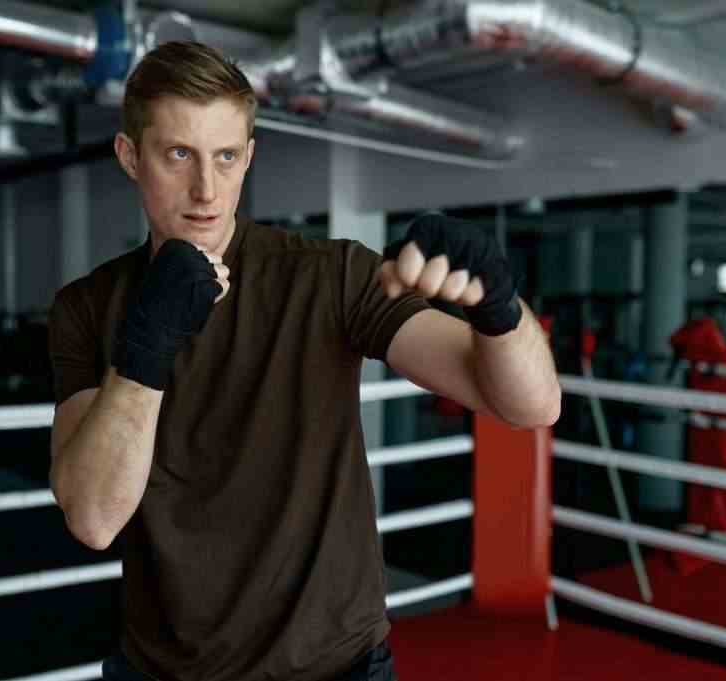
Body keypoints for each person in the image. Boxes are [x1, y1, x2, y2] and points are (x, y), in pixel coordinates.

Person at [48, 41, 560, 681]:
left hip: (336, 668)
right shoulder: (87, 308)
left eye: (226, 157)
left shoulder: (329, 276)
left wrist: (500, 308)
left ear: (248, 159)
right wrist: (147, 345)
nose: (206, 188)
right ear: (131, 156)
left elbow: (530, 405)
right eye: (179, 155)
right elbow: (94, 519)